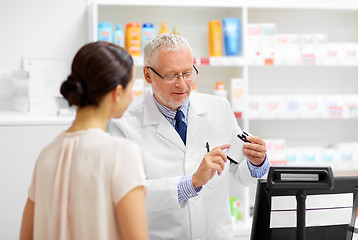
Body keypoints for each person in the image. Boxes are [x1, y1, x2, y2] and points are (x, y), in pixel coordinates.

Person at [110, 33, 269, 240]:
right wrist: (191, 183)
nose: (182, 84)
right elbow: (128, 197)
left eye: (187, 73)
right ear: (148, 76)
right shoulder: (124, 126)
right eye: (171, 75)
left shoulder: (219, 108)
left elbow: (240, 172)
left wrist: (257, 163)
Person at [19, 41, 148, 240]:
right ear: (117, 92)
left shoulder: (47, 154)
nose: (133, 95)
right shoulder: (121, 153)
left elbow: (25, 236)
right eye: (132, 86)